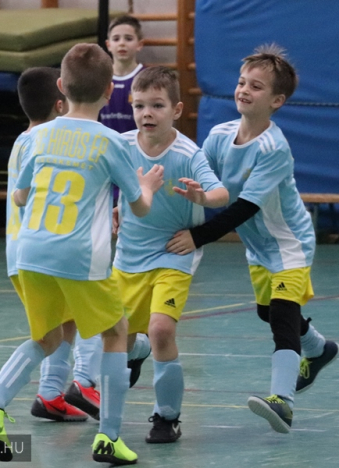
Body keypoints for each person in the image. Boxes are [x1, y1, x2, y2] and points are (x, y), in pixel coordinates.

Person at [0, 43, 164, 465]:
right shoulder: (111, 142)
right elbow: (140, 207)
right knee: (116, 332)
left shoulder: (37, 136)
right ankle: (109, 437)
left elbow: (20, 196)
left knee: (49, 337)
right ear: (110, 91)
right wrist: (148, 186)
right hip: (78, 255)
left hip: (30, 252)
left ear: (62, 86)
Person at [166, 44, 339, 434]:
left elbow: (243, 208)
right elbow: (202, 181)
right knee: (268, 312)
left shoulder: (273, 149)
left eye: (256, 86)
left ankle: (283, 401)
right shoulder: (219, 136)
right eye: (242, 82)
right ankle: (318, 348)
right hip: (258, 247)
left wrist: (198, 237)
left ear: (277, 101)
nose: (244, 89)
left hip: (290, 244)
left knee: (281, 317)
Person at [113, 66, 229, 443]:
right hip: (128, 254)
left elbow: (221, 194)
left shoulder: (188, 154)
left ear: (177, 110)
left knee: (162, 329)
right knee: (117, 338)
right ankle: (137, 350)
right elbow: (110, 184)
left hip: (172, 252)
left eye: (157, 105)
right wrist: (114, 208)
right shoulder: (121, 145)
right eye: (139, 105)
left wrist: (201, 197)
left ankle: (167, 417)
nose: (147, 113)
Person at [4, 66, 102, 424]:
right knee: (95, 313)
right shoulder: (47, 140)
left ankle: (50, 395)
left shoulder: (22, 139)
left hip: (18, 248)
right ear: (61, 105)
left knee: (65, 323)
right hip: (45, 247)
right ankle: (85, 383)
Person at [100, 14, 145, 133]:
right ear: (108, 45)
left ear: (139, 44)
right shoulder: (100, 78)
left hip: (137, 143)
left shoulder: (147, 78)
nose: (122, 43)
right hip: (106, 143)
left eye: (128, 39)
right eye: (116, 39)